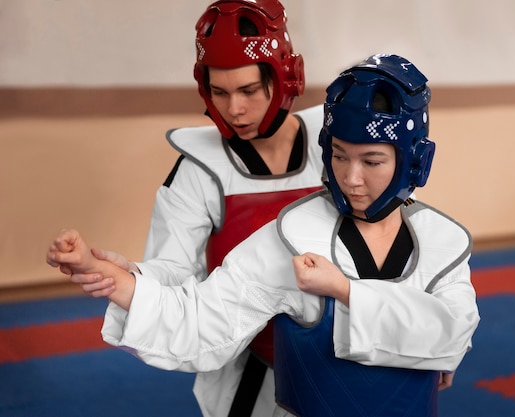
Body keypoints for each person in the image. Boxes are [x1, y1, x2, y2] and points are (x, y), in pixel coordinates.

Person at [48, 54, 480, 417]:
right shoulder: (293, 239)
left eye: (372, 161)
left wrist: (345, 291)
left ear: (413, 163)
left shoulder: (439, 244)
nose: (351, 178)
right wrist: (123, 282)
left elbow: (454, 333)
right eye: (339, 156)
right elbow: (201, 319)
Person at [62, 1, 324, 416]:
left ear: (286, 77)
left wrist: (418, 349)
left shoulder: (339, 148)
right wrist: (129, 276)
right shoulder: (199, 169)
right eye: (219, 92)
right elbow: (174, 269)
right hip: (250, 370)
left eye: (248, 91)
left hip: (343, 359)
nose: (233, 109)